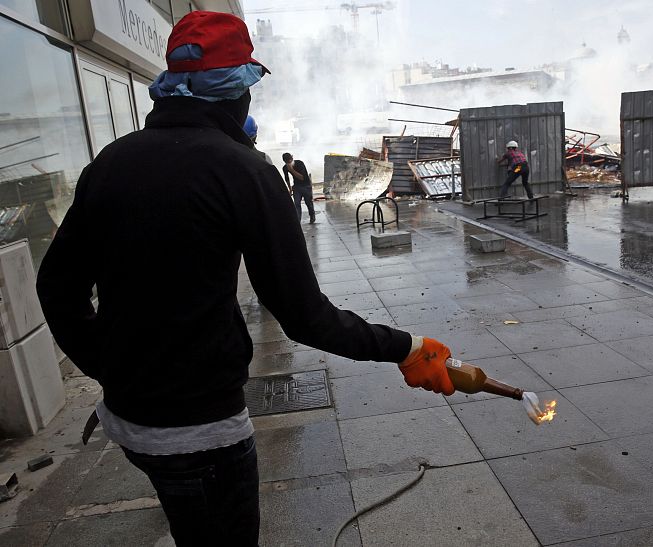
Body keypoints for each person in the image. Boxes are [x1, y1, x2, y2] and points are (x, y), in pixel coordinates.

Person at [35, 11, 454, 546]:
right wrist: (407, 347)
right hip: (203, 431)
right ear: (234, 92)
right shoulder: (243, 171)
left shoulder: (109, 163)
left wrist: (111, 367)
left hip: (129, 423)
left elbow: (56, 287)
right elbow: (305, 317)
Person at [282, 152, 315, 223]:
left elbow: (302, 178)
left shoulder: (300, 163)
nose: (289, 163)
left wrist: (292, 170)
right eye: (287, 162)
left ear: (292, 158)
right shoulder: (285, 168)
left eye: (290, 161)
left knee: (308, 203)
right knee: (296, 204)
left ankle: (312, 215)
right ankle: (298, 221)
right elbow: (287, 178)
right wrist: (290, 189)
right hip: (296, 187)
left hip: (306, 185)